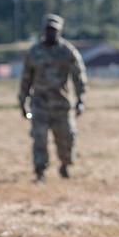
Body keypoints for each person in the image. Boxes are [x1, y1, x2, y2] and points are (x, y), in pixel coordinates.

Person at [17, 14, 87, 182]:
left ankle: (65, 165)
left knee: (66, 138)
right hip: (39, 103)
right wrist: (22, 101)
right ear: (44, 30)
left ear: (59, 31)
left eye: (54, 30)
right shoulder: (34, 52)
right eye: (48, 29)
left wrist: (81, 100)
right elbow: (26, 78)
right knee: (39, 137)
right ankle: (40, 171)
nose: (50, 32)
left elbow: (79, 76)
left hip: (61, 104)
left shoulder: (67, 51)